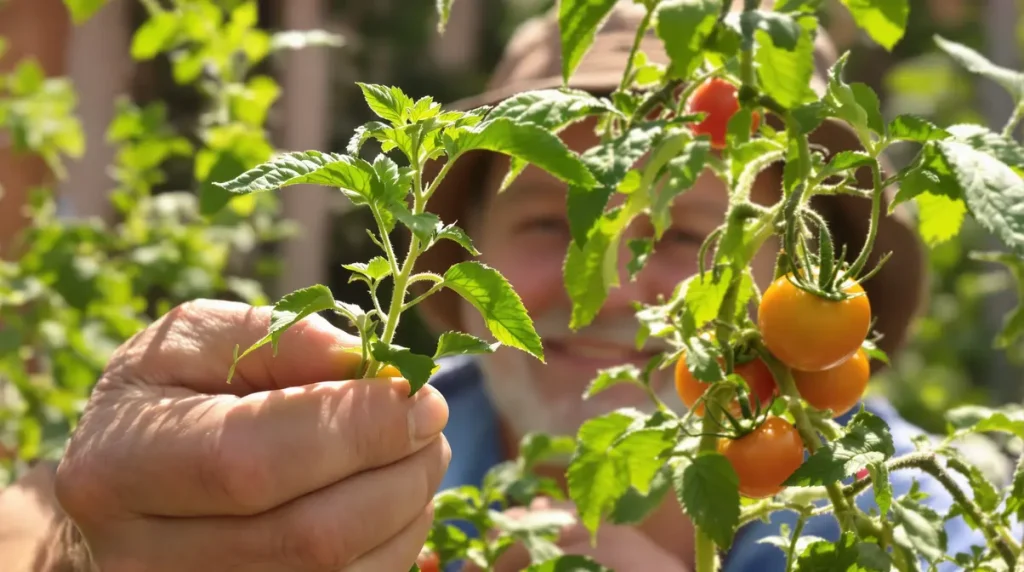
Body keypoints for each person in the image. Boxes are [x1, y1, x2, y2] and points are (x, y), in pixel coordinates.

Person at [0, 2, 1013, 571]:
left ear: (797, 272)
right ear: (462, 258)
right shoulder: (373, 439)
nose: (608, 284)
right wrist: (94, 545)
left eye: (688, 234)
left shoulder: (897, 512)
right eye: (555, 222)